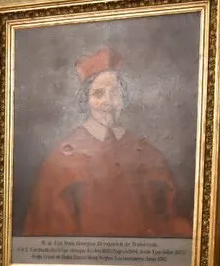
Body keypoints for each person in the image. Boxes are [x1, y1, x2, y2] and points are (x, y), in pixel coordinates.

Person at [19, 45, 192, 238]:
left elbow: (170, 219)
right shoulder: (60, 159)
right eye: (98, 94)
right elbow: (49, 229)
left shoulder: (148, 154)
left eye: (115, 93)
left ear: (123, 99)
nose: (108, 103)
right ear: (86, 101)